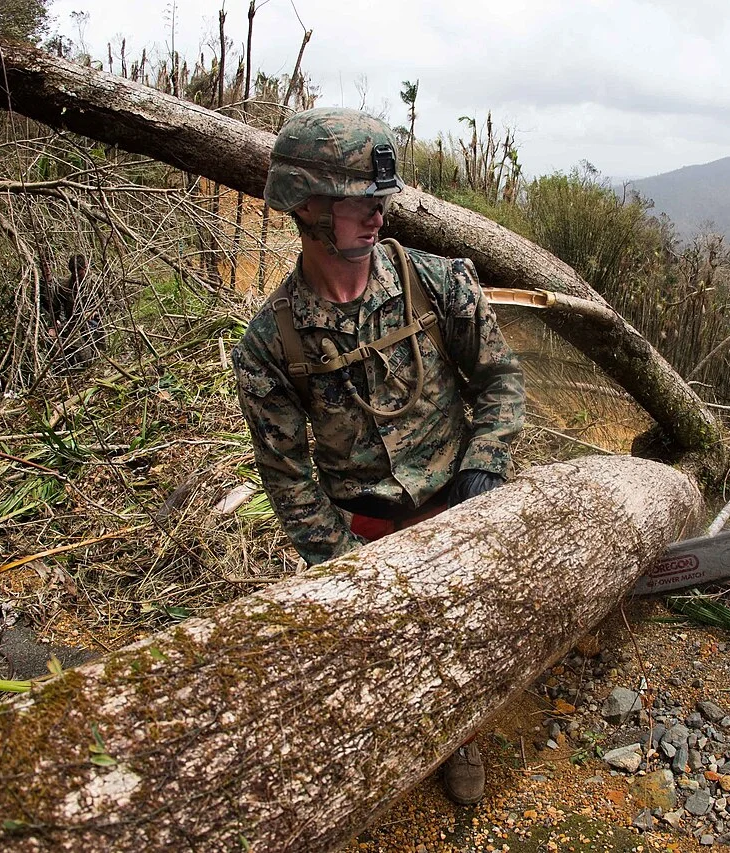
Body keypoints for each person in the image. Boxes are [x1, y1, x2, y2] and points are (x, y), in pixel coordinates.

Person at [231, 108, 525, 806]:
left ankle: (463, 731)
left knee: (467, 635)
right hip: (362, 532)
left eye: (380, 202)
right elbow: (288, 478)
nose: (376, 218)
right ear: (305, 204)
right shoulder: (270, 345)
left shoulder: (439, 283)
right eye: (359, 203)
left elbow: (502, 380)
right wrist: (344, 569)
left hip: (457, 504)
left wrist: (484, 465)